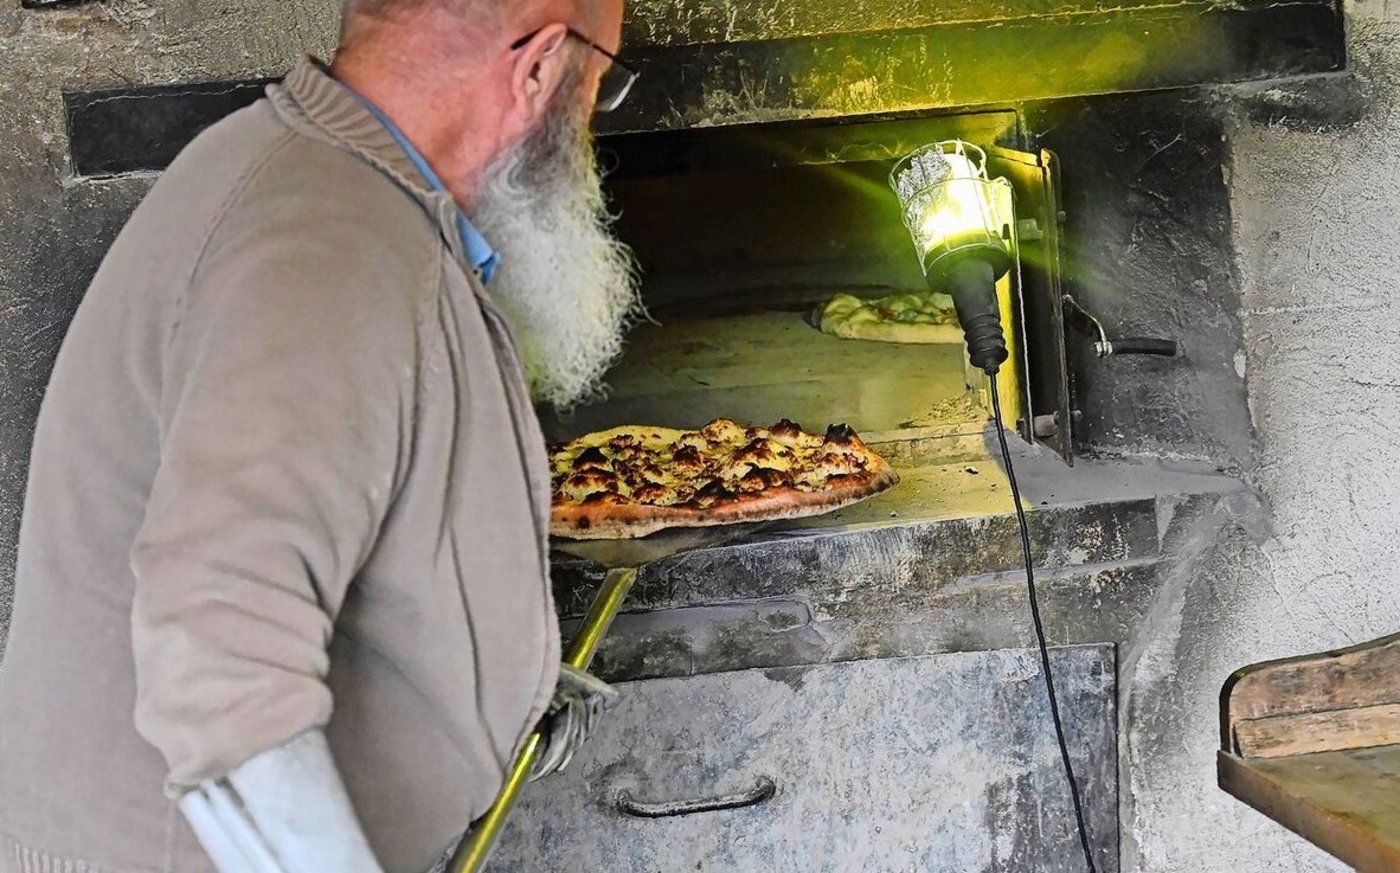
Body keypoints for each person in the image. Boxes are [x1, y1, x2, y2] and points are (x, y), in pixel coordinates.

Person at [0, 0, 639, 870]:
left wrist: (491, 668)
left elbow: (333, 524)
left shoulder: (318, 181)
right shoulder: (327, 249)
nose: (592, 126)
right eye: (602, 84)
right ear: (537, 68)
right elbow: (221, 652)